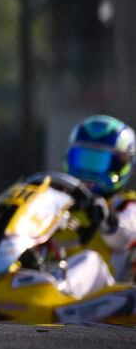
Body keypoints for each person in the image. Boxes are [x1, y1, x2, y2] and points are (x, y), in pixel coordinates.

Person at [62, 115, 136, 283]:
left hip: (103, 299)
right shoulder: (59, 202)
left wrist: (104, 217)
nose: (88, 173)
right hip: (49, 285)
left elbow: (122, 237)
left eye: (97, 162)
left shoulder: (127, 205)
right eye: (82, 160)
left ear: (120, 165)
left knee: (90, 261)